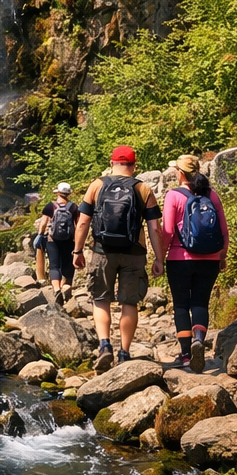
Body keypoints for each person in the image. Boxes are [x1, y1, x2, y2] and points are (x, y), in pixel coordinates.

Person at [73, 146, 167, 370]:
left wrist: (77, 251)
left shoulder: (97, 185)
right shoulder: (143, 189)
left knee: (100, 298)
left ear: (111, 162)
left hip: (102, 251)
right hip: (134, 252)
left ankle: (105, 345)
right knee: (129, 301)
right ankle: (124, 352)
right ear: (134, 166)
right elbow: (155, 228)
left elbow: (83, 222)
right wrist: (159, 259)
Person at [161, 154, 229, 373]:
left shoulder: (174, 196)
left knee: (181, 305)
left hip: (179, 260)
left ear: (179, 173)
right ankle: (199, 338)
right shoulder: (212, 195)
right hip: (209, 259)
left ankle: (186, 355)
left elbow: (168, 231)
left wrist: (159, 258)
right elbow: (224, 231)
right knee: (200, 303)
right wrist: (222, 256)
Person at [34, 182, 78, 299]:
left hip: (52, 239)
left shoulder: (50, 206)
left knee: (54, 265)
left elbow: (43, 223)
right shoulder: (73, 207)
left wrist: (39, 235)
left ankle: (56, 288)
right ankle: (65, 287)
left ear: (58, 193)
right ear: (68, 194)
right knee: (67, 264)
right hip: (69, 240)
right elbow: (78, 226)